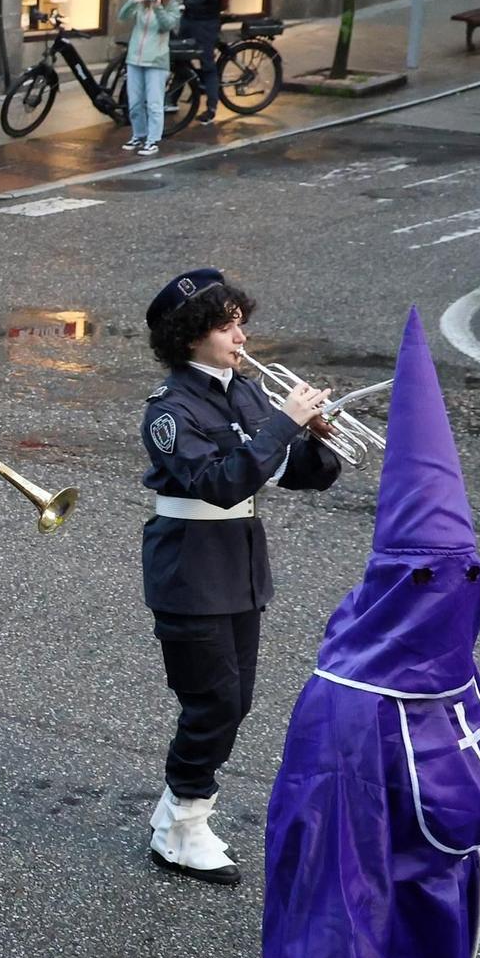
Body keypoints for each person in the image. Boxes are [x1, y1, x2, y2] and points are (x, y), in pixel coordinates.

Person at [249, 310, 480, 958]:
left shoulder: (447, 671)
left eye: (467, 571)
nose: (461, 586)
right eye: (439, 573)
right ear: (401, 581)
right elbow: (328, 873)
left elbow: (475, 764)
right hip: (375, 947)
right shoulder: (351, 705)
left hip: (440, 932)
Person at [140, 269, 341, 885]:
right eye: (226, 325)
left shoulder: (247, 392)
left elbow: (300, 475)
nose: (240, 335)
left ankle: (181, 815)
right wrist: (283, 425)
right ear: (191, 334)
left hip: (240, 565)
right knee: (214, 701)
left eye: (239, 321)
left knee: (235, 699)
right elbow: (219, 483)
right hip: (190, 567)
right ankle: (183, 822)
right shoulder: (169, 411)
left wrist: (314, 440)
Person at [171, 0, 231, 124]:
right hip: (189, 17)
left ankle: (211, 107)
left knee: (206, 63)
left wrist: (190, 2)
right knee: (179, 57)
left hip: (207, 18)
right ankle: (172, 99)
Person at [119, 0, 182, 157]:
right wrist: (132, 1)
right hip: (135, 59)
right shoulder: (141, 3)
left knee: (154, 103)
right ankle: (139, 135)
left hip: (157, 60)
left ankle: (153, 140)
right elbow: (121, 17)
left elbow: (168, 25)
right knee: (135, 102)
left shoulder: (171, 6)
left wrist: (158, 8)